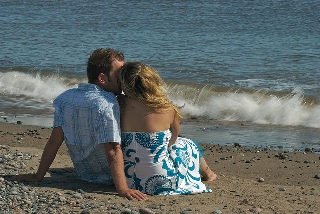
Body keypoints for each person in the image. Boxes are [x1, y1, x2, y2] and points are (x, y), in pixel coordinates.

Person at [11, 48, 148, 201]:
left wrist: (38, 175)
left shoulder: (65, 98)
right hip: (110, 177)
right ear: (102, 78)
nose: (123, 80)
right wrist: (123, 189)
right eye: (119, 76)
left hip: (85, 174)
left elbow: (54, 142)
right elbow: (113, 150)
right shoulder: (107, 103)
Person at [117, 62, 217, 196]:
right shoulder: (169, 109)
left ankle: (208, 173)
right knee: (188, 144)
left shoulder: (117, 104)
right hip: (163, 182)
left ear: (125, 86)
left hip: (128, 180)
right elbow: (172, 141)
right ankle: (208, 174)